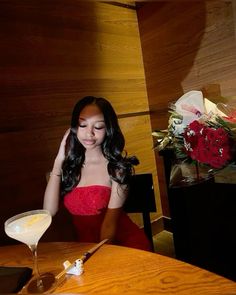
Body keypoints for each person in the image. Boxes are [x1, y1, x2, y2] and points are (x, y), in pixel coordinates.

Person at [43, 96, 151, 251]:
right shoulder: (67, 169)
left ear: (108, 129)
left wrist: (98, 257)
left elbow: (109, 225)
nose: (89, 133)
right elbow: (48, 212)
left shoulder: (117, 169)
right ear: (74, 127)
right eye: (82, 125)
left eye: (98, 127)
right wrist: (58, 161)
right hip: (84, 248)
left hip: (119, 245)